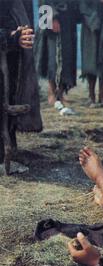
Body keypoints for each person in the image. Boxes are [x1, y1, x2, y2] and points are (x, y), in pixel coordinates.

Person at [0, 0, 42, 163]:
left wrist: (22, 35)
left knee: (10, 91)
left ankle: (8, 142)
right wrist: (9, 37)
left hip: (13, 53)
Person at [34, 0, 79, 107]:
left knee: (67, 57)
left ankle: (60, 93)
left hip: (68, 21)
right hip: (52, 18)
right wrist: (52, 18)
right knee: (52, 56)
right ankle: (51, 93)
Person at [79, 0, 103, 108]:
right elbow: (82, 5)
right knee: (90, 59)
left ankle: (102, 95)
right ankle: (91, 96)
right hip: (89, 24)